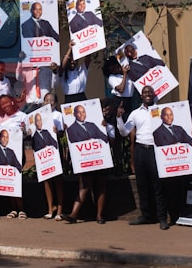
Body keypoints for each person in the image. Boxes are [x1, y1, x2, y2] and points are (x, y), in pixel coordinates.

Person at [116, 85, 170, 230]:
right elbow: (124, 132)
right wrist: (119, 118)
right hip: (141, 150)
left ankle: (162, 218)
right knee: (142, 184)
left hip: (155, 150)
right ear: (141, 96)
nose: (147, 94)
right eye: (145, 92)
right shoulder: (135, 113)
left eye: (150, 92)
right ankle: (146, 216)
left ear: (154, 94)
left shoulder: (161, 111)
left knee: (158, 185)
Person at [62, 100, 112, 225]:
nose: (82, 114)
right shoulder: (71, 128)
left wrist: (104, 128)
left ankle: (99, 215)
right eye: (79, 113)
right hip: (86, 161)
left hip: (100, 159)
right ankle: (73, 214)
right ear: (74, 114)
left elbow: (105, 139)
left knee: (101, 186)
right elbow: (74, 142)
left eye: (83, 112)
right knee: (84, 186)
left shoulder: (94, 124)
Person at [40, 93, 65, 221]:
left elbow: (61, 133)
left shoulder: (58, 115)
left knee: (58, 180)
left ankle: (60, 210)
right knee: (47, 179)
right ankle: (50, 209)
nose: (49, 102)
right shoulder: (39, 116)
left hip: (55, 149)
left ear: (55, 103)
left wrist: (57, 131)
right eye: (46, 100)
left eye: (52, 101)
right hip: (43, 150)